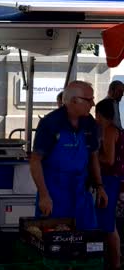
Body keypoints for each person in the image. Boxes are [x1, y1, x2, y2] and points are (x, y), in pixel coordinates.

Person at [30, 80, 108, 230]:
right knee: (56, 237)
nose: (93, 104)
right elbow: (35, 161)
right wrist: (44, 195)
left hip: (80, 191)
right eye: (89, 99)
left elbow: (93, 156)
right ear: (74, 101)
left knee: (86, 238)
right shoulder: (50, 123)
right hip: (54, 193)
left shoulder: (89, 123)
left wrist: (99, 186)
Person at [95, 99, 124, 270]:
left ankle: (115, 264)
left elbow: (109, 159)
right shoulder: (114, 130)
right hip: (113, 180)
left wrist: (89, 156)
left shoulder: (109, 130)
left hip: (110, 181)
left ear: (99, 114)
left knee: (109, 225)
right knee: (109, 224)